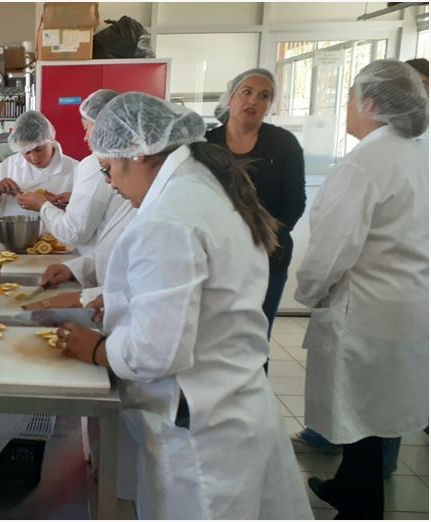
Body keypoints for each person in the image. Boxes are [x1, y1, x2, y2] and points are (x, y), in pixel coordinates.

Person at [56, 92, 311, 519]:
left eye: (109, 171)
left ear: (137, 154)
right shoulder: (203, 186)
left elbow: (155, 352)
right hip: (229, 405)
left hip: (202, 428)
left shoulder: (169, 218)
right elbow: (199, 296)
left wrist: (97, 349)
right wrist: (123, 303)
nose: (113, 185)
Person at [295, 60, 428, 519]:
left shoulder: (365, 163)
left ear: (370, 103)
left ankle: (360, 507)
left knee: (363, 417)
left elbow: (334, 249)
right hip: (409, 305)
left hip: (367, 310)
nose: (347, 110)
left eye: (350, 98)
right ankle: (349, 489)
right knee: (377, 414)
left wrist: (307, 291)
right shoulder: (419, 153)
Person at [205, 68, 306, 340]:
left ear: (269, 105)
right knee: (215, 336)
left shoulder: (284, 143)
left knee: (255, 338)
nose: (252, 101)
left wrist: (263, 237)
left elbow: (295, 202)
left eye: (263, 96)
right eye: (246, 92)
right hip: (217, 256)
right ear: (231, 97)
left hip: (268, 254)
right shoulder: (206, 145)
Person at [17, 89, 127, 258]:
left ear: (102, 126)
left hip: (104, 263)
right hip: (108, 259)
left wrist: (42, 206)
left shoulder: (95, 163)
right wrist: (76, 200)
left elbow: (73, 232)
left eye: (87, 129)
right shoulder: (127, 157)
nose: (85, 137)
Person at [0, 111, 78, 234]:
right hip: (11, 242)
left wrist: (71, 203)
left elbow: (83, 217)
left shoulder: (74, 168)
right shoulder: (8, 165)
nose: (34, 158)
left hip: (54, 246)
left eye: (39, 149)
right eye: (26, 152)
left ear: (50, 139)